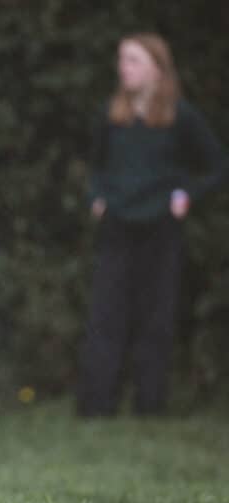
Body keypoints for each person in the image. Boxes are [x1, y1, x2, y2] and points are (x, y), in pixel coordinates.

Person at [77, 34, 226, 417]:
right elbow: (97, 166)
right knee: (106, 315)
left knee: (155, 317)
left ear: (157, 69)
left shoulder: (181, 116)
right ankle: (96, 407)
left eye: (134, 60)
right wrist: (98, 196)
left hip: (161, 228)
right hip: (117, 227)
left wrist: (186, 195)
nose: (124, 67)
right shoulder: (111, 115)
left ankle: (149, 407)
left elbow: (215, 165)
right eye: (122, 59)